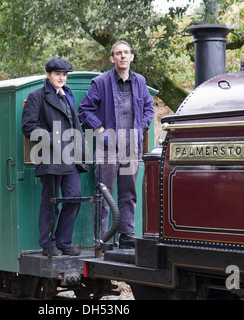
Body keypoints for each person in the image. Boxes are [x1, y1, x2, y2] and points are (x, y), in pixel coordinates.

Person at [78, 40, 155, 248]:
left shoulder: (140, 81)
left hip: (131, 147)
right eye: (118, 53)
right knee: (104, 194)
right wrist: (100, 130)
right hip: (107, 147)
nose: (123, 56)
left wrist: (142, 127)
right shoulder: (101, 82)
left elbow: (149, 108)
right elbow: (84, 109)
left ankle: (127, 235)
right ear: (112, 59)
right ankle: (102, 238)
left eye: (126, 52)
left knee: (129, 193)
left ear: (131, 57)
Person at [21, 57, 88, 256]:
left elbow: (75, 124)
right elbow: (28, 127)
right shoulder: (37, 96)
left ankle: (64, 242)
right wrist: (54, 139)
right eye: (57, 74)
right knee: (50, 201)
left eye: (64, 75)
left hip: (71, 157)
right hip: (50, 157)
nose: (61, 78)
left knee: (74, 198)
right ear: (48, 75)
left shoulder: (69, 95)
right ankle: (48, 244)